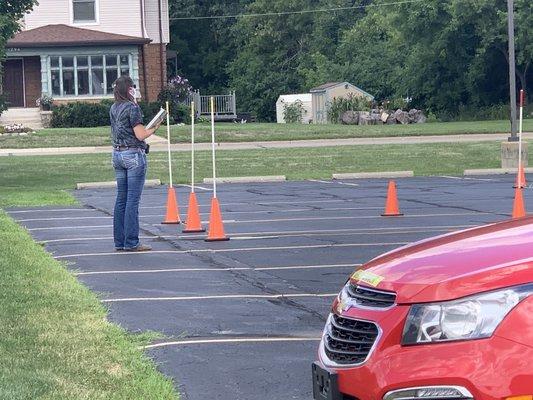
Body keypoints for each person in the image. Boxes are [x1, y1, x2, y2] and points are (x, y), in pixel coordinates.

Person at [110, 75, 160, 252]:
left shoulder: (114, 107)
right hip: (133, 155)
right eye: (133, 87)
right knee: (132, 200)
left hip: (117, 153)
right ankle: (131, 241)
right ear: (129, 89)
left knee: (121, 199)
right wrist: (154, 127)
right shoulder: (132, 108)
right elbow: (140, 135)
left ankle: (119, 241)